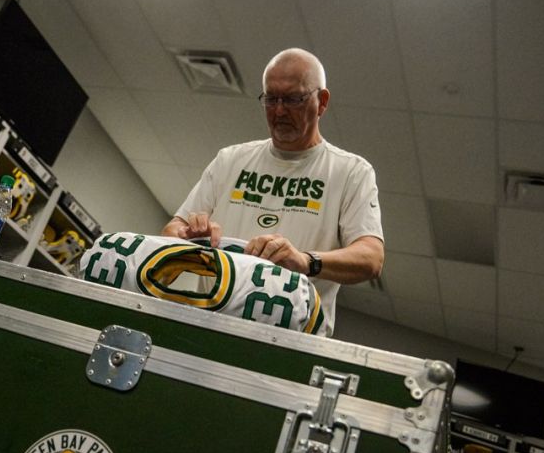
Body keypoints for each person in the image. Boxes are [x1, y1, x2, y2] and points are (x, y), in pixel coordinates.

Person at [163, 48, 384, 337]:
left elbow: (371, 258)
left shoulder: (351, 172)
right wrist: (187, 236)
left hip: (290, 344)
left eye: (293, 99)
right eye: (271, 99)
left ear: (322, 102)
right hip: (209, 328)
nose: (279, 111)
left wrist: (306, 261)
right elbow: (170, 231)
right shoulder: (231, 160)